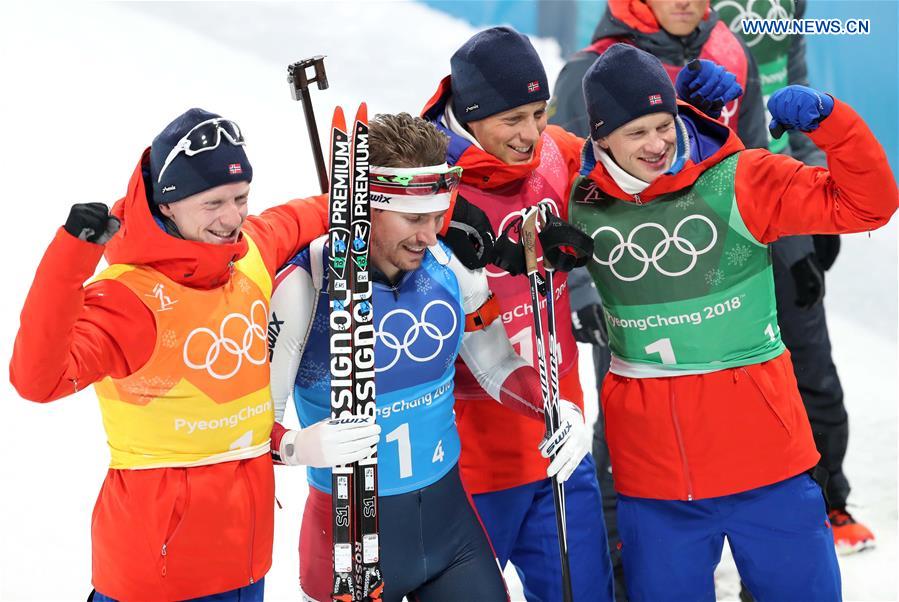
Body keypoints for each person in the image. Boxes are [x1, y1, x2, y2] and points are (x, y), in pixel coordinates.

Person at [567, 43, 897, 601]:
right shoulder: (579, 199)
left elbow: (870, 204)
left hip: (767, 465)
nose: (655, 144)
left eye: (662, 124)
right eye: (634, 132)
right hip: (656, 481)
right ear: (599, 141)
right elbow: (504, 157)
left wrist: (831, 122)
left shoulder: (741, 178)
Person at [549, 3, 828, 593]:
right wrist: (577, 286)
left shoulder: (728, 51)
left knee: (768, 398)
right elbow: (563, 186)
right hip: (628, 286)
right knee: (629, 432)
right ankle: (630, 573)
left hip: (720, 268)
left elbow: (755, 162)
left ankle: (768, 565)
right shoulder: (591, 70)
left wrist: (795, 250)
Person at [9, 108, 333, 601]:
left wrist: (381, 197)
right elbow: (37, 380)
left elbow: (295, 218)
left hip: (245, 565)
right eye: (212, 204)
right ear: (168, 203)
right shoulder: (127, 300)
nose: (232, 218)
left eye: (241, 198)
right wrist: (69, 259)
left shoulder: (248, 253)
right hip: (155, 577)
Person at [268, 112, 590, 602]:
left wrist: (554, 405)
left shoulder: (451, 264)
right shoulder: (304, 286)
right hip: (348, 543)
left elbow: (498, 364)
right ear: (365, 208)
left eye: (438, 216)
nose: (429, 234)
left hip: (451, 531)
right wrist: (299, 446)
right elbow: (249, 428)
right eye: (414, 219)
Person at [421, 26, 615, 602]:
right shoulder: (423, 179)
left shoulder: (556, 152)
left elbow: (644, 160)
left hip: (561, 439)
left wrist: (695, 123)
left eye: (540, 111)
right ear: (470, 113)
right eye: (513, 119)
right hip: (466, 466)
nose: (532, 133)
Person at [713, 0, 873, 556]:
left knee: (812, 360)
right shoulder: (681, 13)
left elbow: (795, 91)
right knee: (729, 374)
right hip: (719, 209)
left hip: (785, 201)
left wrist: (818, 181)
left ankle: (830, 499)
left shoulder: (790, 6)